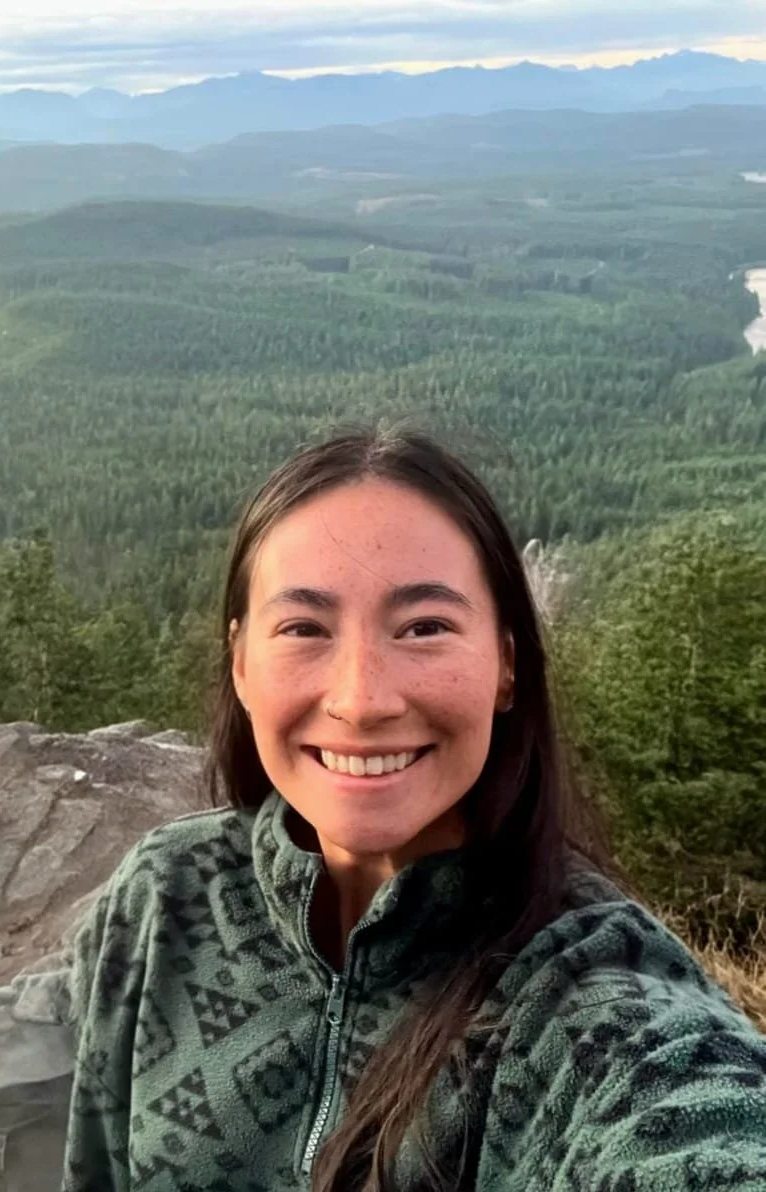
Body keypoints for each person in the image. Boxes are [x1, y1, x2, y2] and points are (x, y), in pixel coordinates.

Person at [61, 426, 766, 1192]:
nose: (362, 702)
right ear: (240, 663)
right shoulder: (166, 898)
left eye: (425, 628)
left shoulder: (590, 999)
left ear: (506, 663)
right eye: (304, 629)